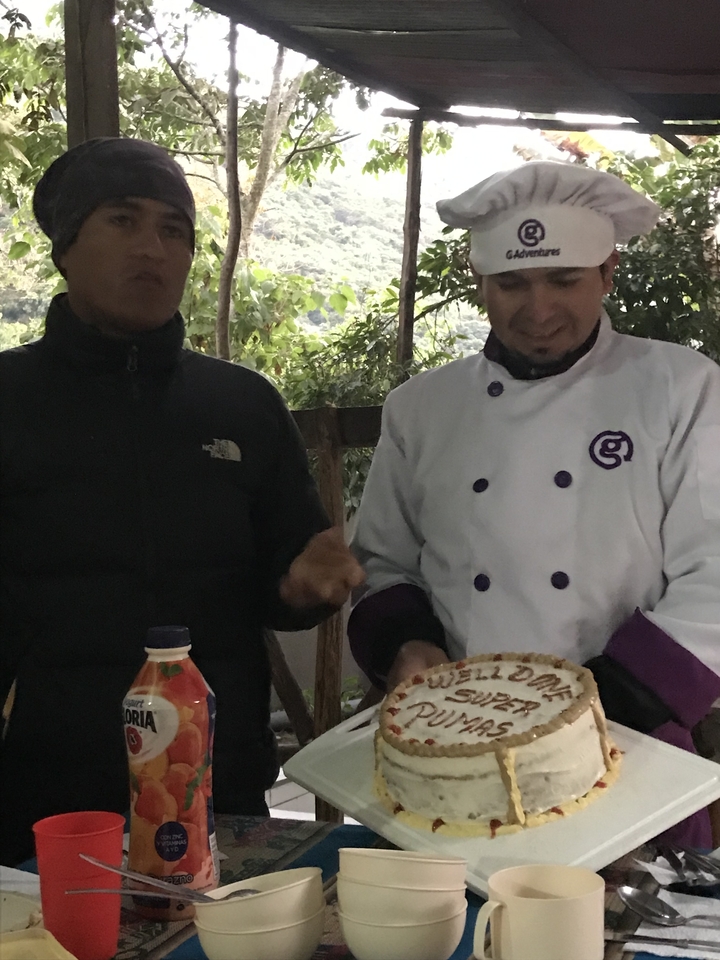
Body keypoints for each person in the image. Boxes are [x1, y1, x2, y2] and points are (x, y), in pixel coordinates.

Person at [0, 137, 364, 866]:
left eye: (174, 230)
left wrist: (306, 586)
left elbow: (287, 581)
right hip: (41, 792)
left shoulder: (242, 404)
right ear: (66, 246)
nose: (152, 249)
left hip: (216, 783)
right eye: (123, 220)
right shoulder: (10, 398)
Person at [348, 161, 720, 845]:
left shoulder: (681, 387)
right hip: (454, 759)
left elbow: (716, 572)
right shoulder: (420, 409)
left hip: (628, 744)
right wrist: (407, 646)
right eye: (512, 284)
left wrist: (596, 710)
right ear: (479, 281)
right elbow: (383, 560)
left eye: (565, 280)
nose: (539, 309)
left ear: (608, 272)